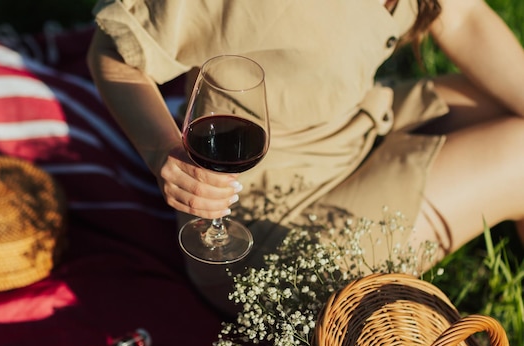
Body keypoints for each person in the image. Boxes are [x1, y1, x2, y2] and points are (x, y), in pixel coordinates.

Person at [87, 0, 524, 315]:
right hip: (265, 224)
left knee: (501, 102)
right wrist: (162, 150)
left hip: (358, 129)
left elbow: (462, 15)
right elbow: (111, 52)